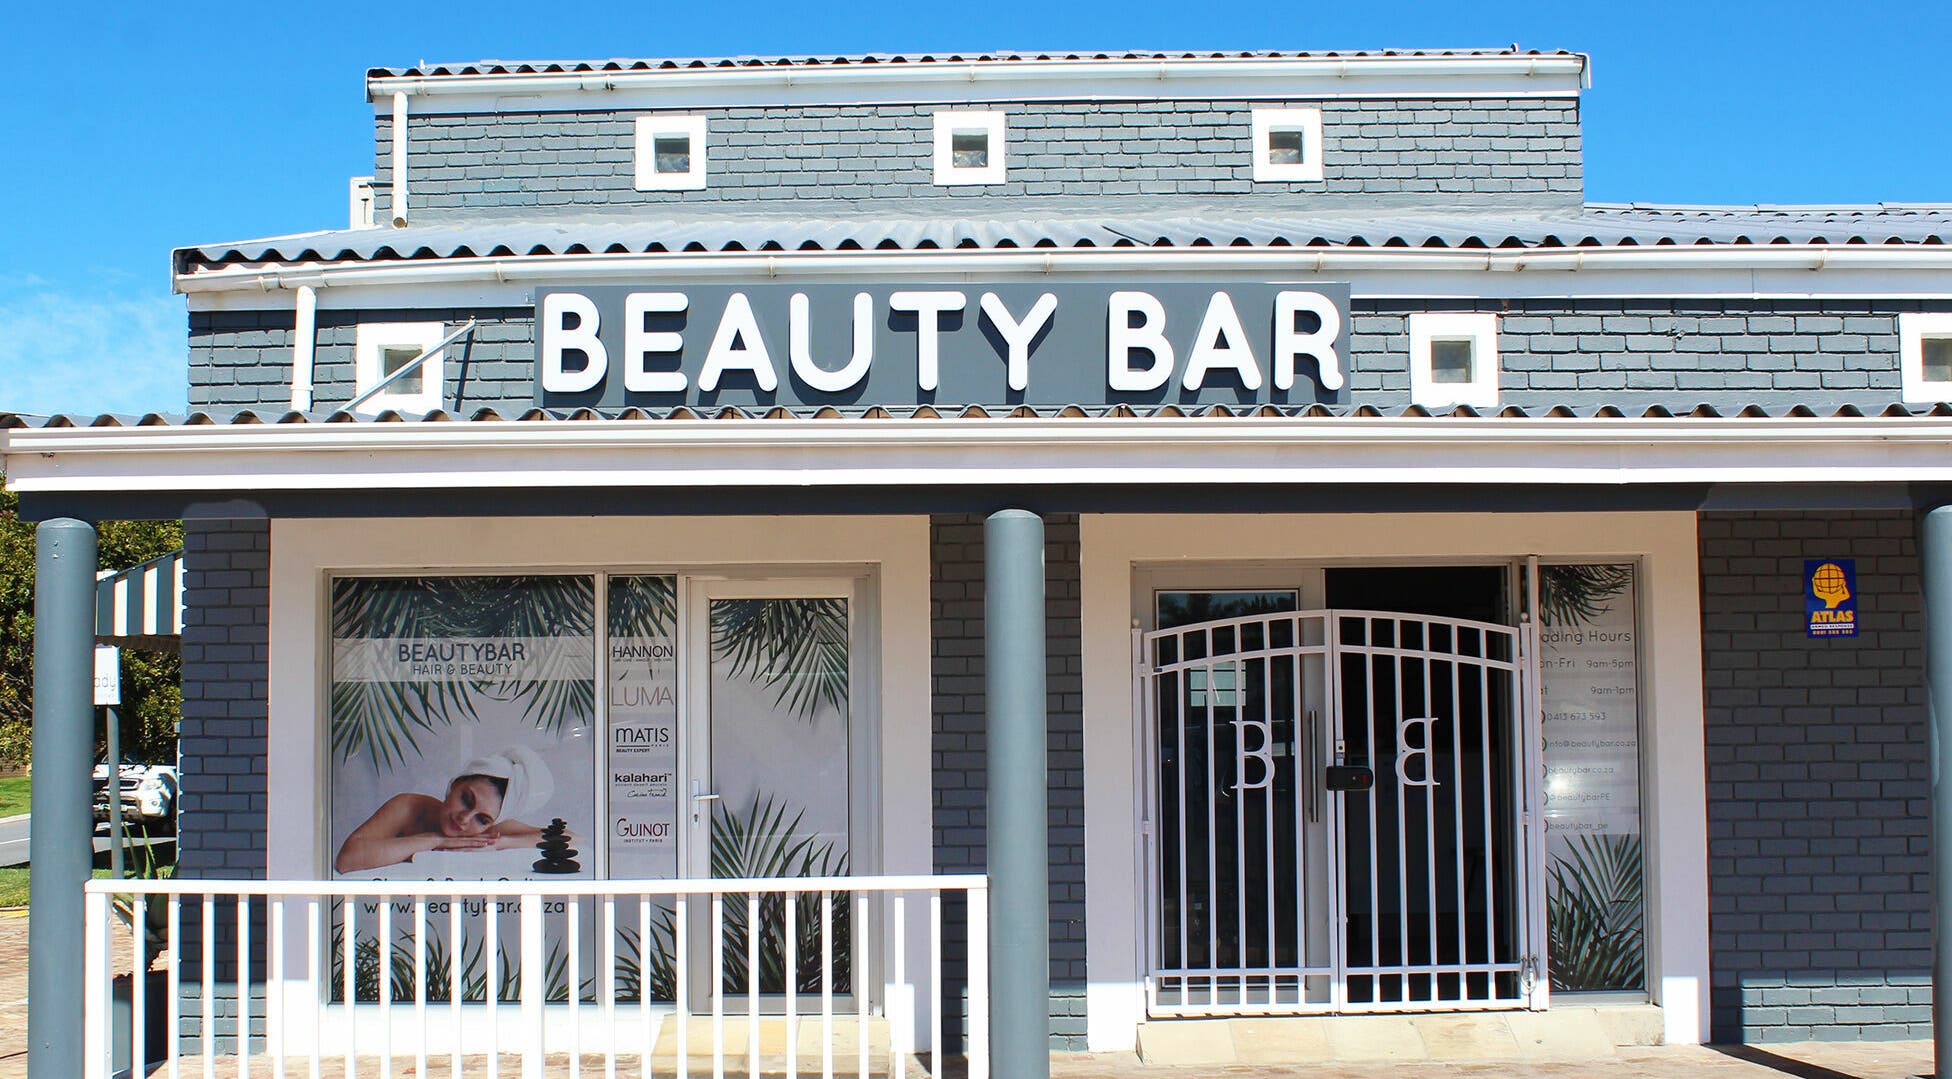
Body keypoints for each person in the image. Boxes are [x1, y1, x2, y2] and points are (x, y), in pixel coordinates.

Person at [334, 746, 555, 873]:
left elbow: (572, 839)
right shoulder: (407, 807)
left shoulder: (487, 830)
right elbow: (347, 860)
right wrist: (434, 840)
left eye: (483, 819)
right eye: (467, 800)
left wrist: (501, 843)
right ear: (454, 785)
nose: (465, 818)